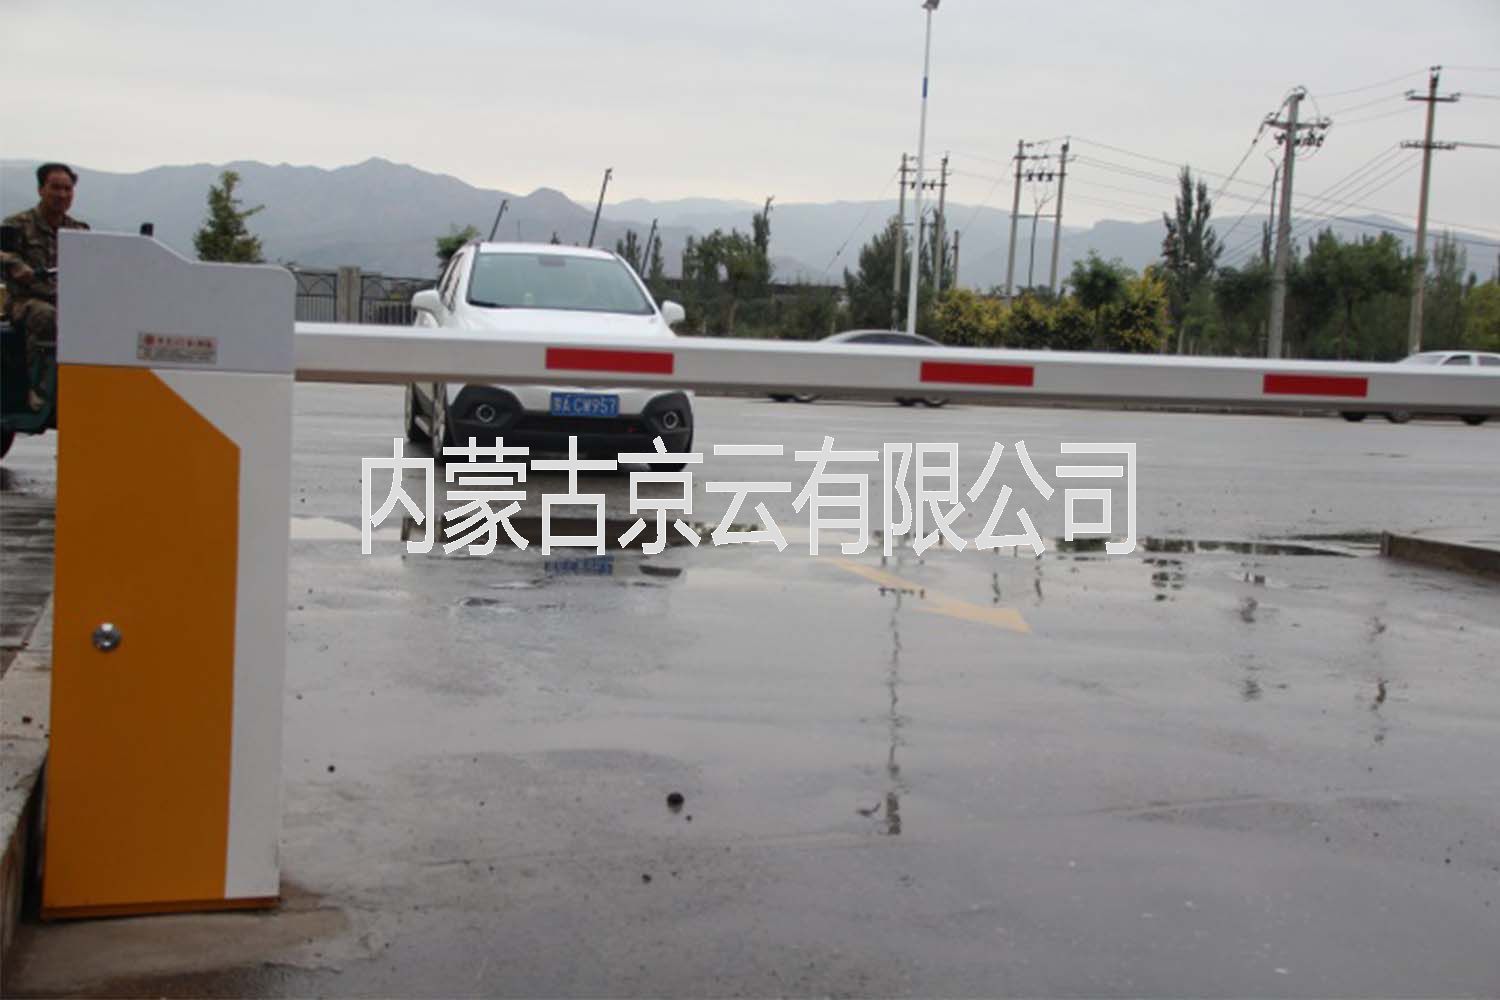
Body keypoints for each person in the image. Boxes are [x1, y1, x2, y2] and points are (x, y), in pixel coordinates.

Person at [2, 163, 90, 410]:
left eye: (67, 189)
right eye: (55, 188)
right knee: (46, 315)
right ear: (41, 189)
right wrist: (17, 265)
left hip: (67, 302)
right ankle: (40, 391)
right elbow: (1, 253)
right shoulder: (17, 224)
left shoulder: (79, 231)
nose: (62, 194)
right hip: (25, 301)